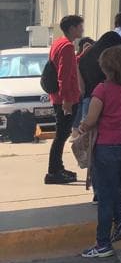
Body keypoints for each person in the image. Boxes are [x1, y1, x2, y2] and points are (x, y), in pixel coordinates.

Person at [78, 46, 121, 258]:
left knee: (104, 194)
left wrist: (80, 129)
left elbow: (91, 120)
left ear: (105, 68)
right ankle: (120, 220)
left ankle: (102, 243)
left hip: (106, 147)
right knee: (114, 190)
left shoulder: (101, 90)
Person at [46, 14, 84, 184]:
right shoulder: (67, 46)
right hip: (65, 99)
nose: (82, 29)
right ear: (72, 28)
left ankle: (57, 167)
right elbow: (64, 74)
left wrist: (81, 55)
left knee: (61, 134)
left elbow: (67, 65)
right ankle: (54, 171)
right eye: (79, 26)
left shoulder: (59, 43)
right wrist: (67, 101)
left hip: (60, 97)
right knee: (61, 135)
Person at [76, 30, 121, 127]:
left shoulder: (86, 55)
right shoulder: (106, 58)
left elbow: (81, 81)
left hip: (88, 99)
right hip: (106, 99)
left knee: (88, 135)